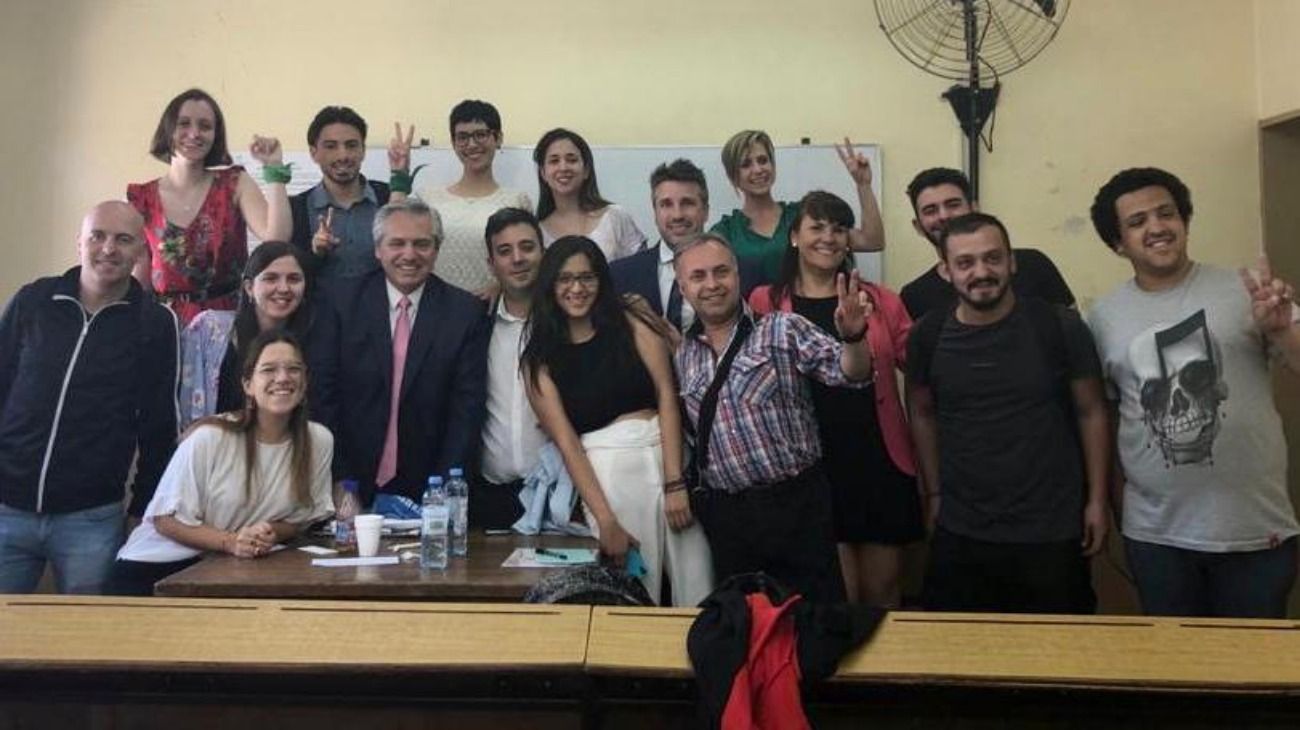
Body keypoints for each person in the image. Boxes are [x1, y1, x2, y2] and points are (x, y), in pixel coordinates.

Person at [1087, 167, 1300, 618]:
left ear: (1184, 220)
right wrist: (1113, 504)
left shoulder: (1247, 293)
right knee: (1176, 674)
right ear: (1117, 243)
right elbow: (1106, 415)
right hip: (1157, 535)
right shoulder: (1103, 318)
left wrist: (1282, 331)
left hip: (1256, 528)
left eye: (1166, 213)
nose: (1157, 227)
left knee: (1254, 676)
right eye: (1137, 221)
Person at [906, 212, 1108, 615]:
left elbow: (1092, 411)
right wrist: (934, 494)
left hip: (1052, 528)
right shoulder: (927, 336)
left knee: (1060, 659)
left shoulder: (1059, 327)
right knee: (961, 658)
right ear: (946, 271)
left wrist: (1097, 501)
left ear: (1012, 261)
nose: (981, 272)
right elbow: (922, 412)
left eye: (993, 258)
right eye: (965, 263)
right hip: (962, 527)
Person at [674, 233, 874, 604]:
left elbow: (852, 373)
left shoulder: (782, 328)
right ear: (682, 287)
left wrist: (854, 337)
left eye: (721, 272)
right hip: (727, 517)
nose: (712, 284)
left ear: (738, 275)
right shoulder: (683, 355)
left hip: (796, 506)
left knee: (816, 625)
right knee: (746, 628)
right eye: (698, 276)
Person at [748, 191, 922, 607]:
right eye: (817, 227)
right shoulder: (764, 303)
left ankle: (885, 675)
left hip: (878, 458)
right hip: (810, 468)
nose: (828, 237)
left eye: (839, 228)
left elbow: (920, 368)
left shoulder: (882, 300)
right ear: (794, 237)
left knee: (882, 594)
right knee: (835, 595)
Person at [0, 201, 179, 594]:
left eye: (123, 239)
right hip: (7, 506)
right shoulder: (34, 301)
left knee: (86, 642)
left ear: (140, 251)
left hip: (90, 517)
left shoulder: (154, 323)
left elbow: (159, 425)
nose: (108, 249)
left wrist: (141, 510)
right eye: (97, 236)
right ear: (79, 241)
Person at [522, 236, 712, 606]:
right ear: (550, 285)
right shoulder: (539, 360)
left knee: (699, 581)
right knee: (637, 590)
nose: (577, 288)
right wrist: (606, 519)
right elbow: (568, 444)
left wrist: (675, 483)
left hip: (668, 455)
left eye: (587, 277)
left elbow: (667, 396)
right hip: (608, 474)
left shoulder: (630, 319)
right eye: (565, 279)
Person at [109, 331, 334, 596]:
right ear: (248, 384)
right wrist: (230, 542)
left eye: (293, 369)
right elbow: (164, 520)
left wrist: (269, 532)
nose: (283, 378)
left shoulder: (318, 440)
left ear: (306, 381)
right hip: (159, 568)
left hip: (232, 567)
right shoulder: (211, 437)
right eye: (269, 369)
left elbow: (302, 519)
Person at [320, 198, 488, 507]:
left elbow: (466, 412)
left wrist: (442, 494)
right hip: (348, 484)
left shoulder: (465, 313)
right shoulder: (341, 302)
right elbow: (324, 397)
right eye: (397, 243)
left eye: (422, 244)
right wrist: (341, 480)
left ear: (436, 250)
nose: (409, 255)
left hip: (430, 487)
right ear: (377, 249)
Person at [128, 88, 292, 325]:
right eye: (184, 123)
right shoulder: (141, 199)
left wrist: (274, 167)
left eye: (205, 126)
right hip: (164, 326)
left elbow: (277, 238)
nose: (194, 133)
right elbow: (139, 280)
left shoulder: (235, 184)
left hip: (230, 322)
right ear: (168, 129)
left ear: (216, 135)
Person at [179, 241, 325, 428]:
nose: (283, 288)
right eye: (271, 278)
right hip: (216, 448)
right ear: (249, 287)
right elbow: (185, 408)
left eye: (294, 279)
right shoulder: (210, 329)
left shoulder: (315, 340)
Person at [898, 167, 1074, 320]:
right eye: (931, 210)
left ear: (974, 208)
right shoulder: (914, 296)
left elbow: (1073, 333)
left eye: (953, 204)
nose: (944, 216)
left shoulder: (1033, 265)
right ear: (918, 226)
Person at [710, 130, 884, 285]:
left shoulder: (802, 213)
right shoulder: (726, 231)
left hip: (805, 314)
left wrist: (863, 185)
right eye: (746, 164)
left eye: (763, 161)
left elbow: (871, 241)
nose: (758, 169)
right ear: (733, 176)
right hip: (753, 317)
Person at [409, 100, 532, 296]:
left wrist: (501, 285)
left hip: (492, 310)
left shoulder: (517, 201)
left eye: (480, 135)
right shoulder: (428, 199)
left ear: (498, 138)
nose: (472, 144)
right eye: (463, 137)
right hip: (436, 308)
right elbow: (398, 242)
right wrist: (398, 176)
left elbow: (528, 260)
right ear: (453, 142)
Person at [475, 207, 548, 529]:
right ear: (492, 264)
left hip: (559, 491)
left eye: (527, 247)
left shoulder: (568, 322)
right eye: (505, 251)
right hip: (490, 495)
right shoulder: (474, 324)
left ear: (543, 252)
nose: (517, 258)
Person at [289, 106, 391, 285]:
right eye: (331, 146)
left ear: (363, 150)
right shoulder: (295, 208)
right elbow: (289, 276)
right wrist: (316, 253)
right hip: (318, 311)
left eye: (351, 145)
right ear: (314, 153)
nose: (343, 155)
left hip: (381, 310)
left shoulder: (387, 197)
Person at [533, 128, 645, 261]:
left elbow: (641, 271)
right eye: (554, 161)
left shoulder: (615, 217)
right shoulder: (537, 232)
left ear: (586, 170)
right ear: (543, 173)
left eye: (572, 160)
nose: (563, 167)